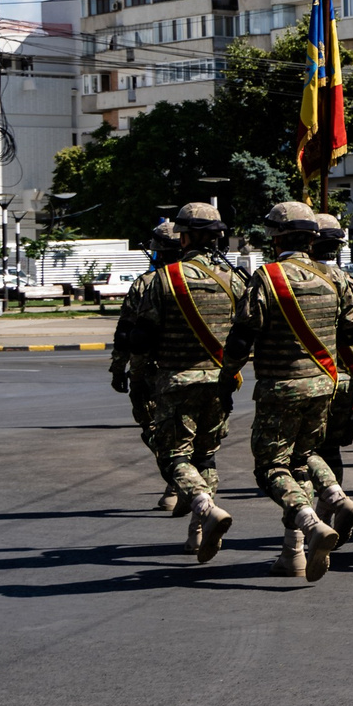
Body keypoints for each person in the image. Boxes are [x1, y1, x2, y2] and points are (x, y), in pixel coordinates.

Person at [231, 202, 353, 580]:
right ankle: (332, 502)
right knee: (305, 457)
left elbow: (242, 336)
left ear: (276, 239)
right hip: (324, 385)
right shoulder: (335, 279)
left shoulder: (267, 277)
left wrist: (227, 375)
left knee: (271, 467)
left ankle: (310, 522)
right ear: (312, 239)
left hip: (281, 388)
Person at [132, 202, 247, 561]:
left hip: (176, 382)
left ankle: (203, 506)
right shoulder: (236, 280)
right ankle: (197, 532)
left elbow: (141, 337)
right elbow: (245, 336)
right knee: (206, 455)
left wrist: (137, 378)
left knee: (173, 455)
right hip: (221, 382)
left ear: (183, 238)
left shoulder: (165, 279)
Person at [306, 212, 353, 513]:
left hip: (306, 379)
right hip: (345, 382)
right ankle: (328, 513)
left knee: (300, 453)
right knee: (331, 449)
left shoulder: (296, 284)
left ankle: (308, 521)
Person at [112, 222, 182, 511]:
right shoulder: (215, 278)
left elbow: (127, 333)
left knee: (154, 428)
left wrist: (120, 368)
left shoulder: (146, 283)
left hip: (155, 372)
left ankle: (180, 483)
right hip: (206, 371)